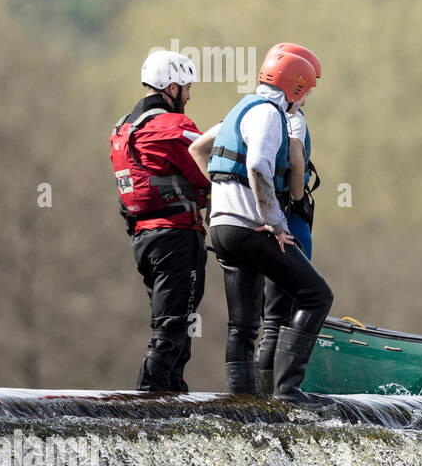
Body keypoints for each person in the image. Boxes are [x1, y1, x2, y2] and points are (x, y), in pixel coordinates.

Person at [203, 44, 333, 400]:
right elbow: (259, 165)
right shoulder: (269, 114)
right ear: (293, 89)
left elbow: (199, 148)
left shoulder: (239, 109)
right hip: (250, 227)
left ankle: (245, 405)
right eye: (303, 94)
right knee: (317, 295)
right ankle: (288, 391)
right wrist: (275, 221)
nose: (303, 102)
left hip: (222, 226)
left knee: (242, 325)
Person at [110, 50, 210, 392]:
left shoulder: (123, 129)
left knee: (174, 321)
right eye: (186, 87)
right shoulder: (173, 126)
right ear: (171, 87)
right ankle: (150, 399)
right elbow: (207, 173)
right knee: (174, 325)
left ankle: (173, 392)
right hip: (177, 236)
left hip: (144, 238)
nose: (189, 94)